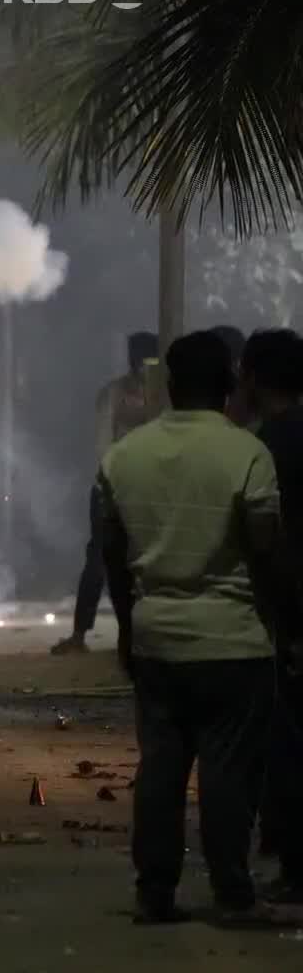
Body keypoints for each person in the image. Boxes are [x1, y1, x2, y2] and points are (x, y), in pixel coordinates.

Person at [98, 331, 284, 924]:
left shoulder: (124, 458)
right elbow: (267, 553)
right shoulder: (248, 455)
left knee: (160, 771)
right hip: (233, 642)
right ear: (230, 384)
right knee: (228, 777)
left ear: (170, 387)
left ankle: (154, 891)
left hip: (157, 639)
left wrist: (129, 629)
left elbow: (112, 553)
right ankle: (233, 894)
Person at [240, 328, 303, 899]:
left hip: (287, 614)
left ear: (254, 379)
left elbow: (271, 544)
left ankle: (292, 865)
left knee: (284, 739)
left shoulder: (262, 451)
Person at [55, 332, 160, 655]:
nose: (146, 369)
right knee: (100, 559)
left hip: (151, 489)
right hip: (112, 488)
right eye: (142, 361)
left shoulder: (161, 396)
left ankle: (139, 634)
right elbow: (103, 446)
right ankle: (79, 633)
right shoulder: (113, 394)